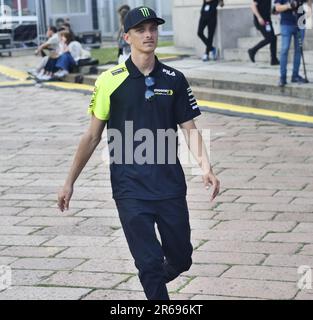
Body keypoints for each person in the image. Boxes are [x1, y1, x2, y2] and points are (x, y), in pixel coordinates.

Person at [57, 6, 220, 300]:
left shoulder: (174, 79)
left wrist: (205, 167)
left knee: (182, 258)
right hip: (129, 187)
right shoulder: (110, 80)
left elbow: (190, 129)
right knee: (148, 262)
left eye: (153, 29)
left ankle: (156, 276)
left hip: (169, 185)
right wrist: (70, 181)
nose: (149, 35)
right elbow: (92, 136)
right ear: (127, 36)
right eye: (141, 30)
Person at [275, 0, 312, 87]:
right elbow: (277, 8)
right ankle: (282, 77)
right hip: (286, 24)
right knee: (284, 49)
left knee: (298, 50)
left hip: (300, 23)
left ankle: (295, 76)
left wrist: (310, 10)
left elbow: (309, 1)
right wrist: (289, 6)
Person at [248, 0, 280, 65]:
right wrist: (259, 17)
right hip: (261, 21)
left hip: (267, 20)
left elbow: (267, 8)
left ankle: (274, 59)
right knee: (270, 38)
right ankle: (252, 50)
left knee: (273, 38)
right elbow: (253, 6)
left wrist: (274, 12)